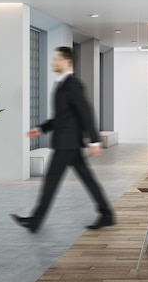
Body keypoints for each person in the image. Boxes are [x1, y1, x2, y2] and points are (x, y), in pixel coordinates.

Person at [11, 46, 115, 233]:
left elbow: (86, 112)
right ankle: (106, 213)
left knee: (51, 181)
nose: (53, 62)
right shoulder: (61, 84)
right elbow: (62, 117)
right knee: (86, 179)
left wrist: (94, 141)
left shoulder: (73, 84)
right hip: (69, 143)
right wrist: (41, 129)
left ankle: (36, 221)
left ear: (67, 61)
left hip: (67, 144)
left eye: (57, 59)